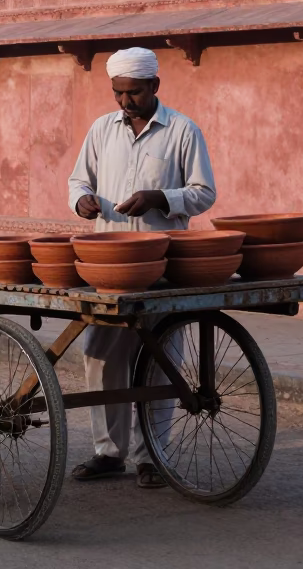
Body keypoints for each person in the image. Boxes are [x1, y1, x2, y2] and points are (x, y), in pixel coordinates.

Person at [67, 47, 217, 488]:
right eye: (118, 93)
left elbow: (203, 193)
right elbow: (79, 179)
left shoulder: (183, 131)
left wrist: (162, 198)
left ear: (154, 86)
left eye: (133, 92)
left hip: (160, 266)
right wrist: (83, 201)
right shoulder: (101, 130)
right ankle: (107, 452)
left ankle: (151, 455)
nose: (125, 102)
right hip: (107, 267)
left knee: (160, 357)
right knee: (100, 354)